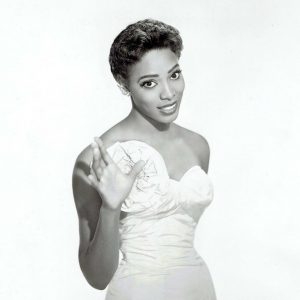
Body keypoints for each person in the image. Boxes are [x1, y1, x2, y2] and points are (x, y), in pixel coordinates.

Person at [72, 19, 217, 300]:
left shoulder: (198, 145)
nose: (168, 93)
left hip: (198, 288)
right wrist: (111, 209)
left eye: (174, 75)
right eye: (149, 82)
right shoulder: (97, 158)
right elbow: (97, 278)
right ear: (123, 84)